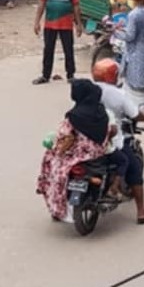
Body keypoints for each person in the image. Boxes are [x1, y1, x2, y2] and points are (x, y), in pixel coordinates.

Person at [91, 59, 144, 224]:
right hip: (112, 141)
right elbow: (134, 114)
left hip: (87, 140)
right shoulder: (117, 94)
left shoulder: (88, 90)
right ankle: (141, 211)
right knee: (134, 169)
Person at [36, 79, 109, 221]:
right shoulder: (101, 112)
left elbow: (64, 136)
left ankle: (57, 207)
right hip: (97, 153)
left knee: (51, 163)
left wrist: (57, 148)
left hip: (78, 156)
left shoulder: (74, 116)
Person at [33, 0, 80, 84]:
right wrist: (37, 22)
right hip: (50, 24)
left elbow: (76, 7)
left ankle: (71, 75)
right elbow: (41, 5)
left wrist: (78, 24)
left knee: (68, 49)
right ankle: (45, 75)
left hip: (66, 24)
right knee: (48, 49)